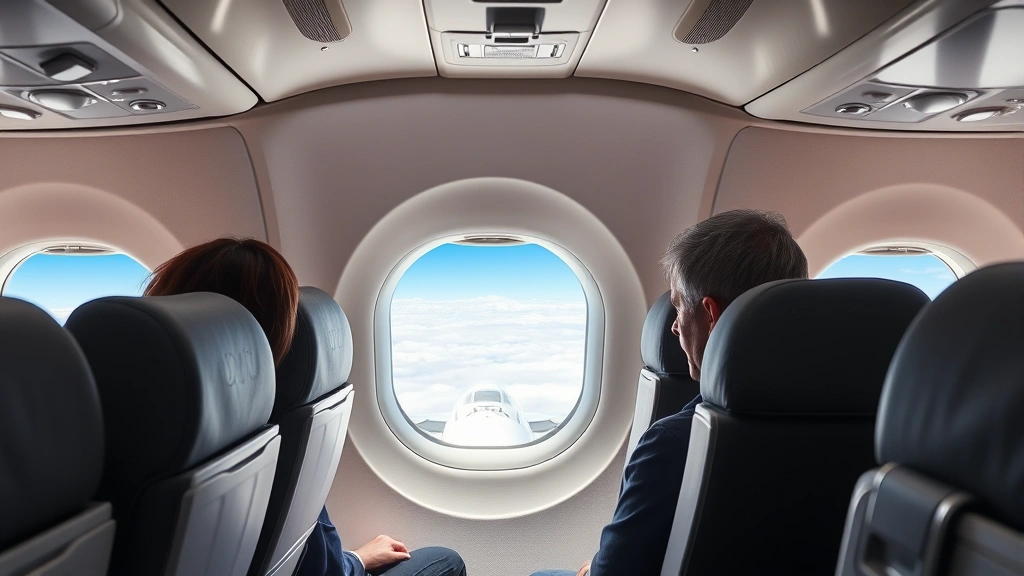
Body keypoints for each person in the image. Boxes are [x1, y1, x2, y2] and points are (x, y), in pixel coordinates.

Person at [145, 237, 467, 576]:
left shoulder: (138, 435)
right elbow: (319, 568)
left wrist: (354, 559)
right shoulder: (274, 429)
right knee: (444, 561)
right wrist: (354, 561)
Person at [532, 210, 808, 576]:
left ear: (711, 315)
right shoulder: (868, 428)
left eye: (678, 306)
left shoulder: (676, 444)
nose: (674, 326)